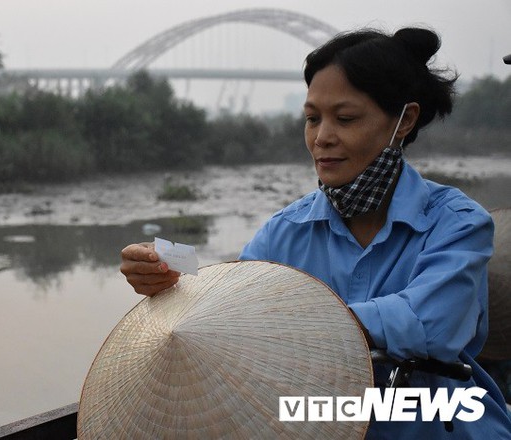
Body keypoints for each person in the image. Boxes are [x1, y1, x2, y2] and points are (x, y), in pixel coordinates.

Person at [120, 27, 511, 438]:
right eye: (312, 119)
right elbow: (234, 305)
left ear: (404, 120)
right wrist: (170, 279)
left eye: (345, 119)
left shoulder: (458, 222)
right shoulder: (284, 232)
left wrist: (295, 319)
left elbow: (429, 326)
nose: (322, 138)